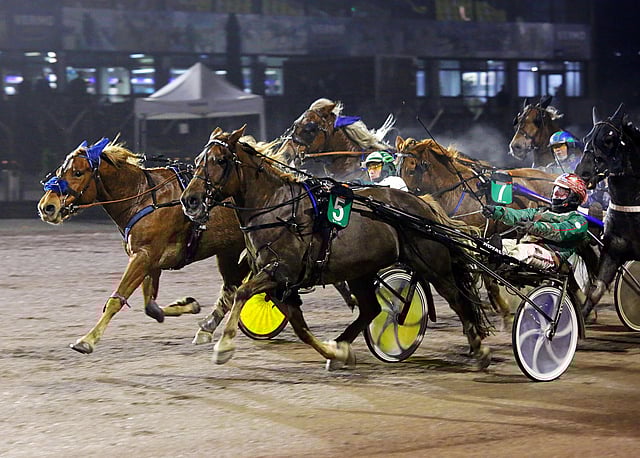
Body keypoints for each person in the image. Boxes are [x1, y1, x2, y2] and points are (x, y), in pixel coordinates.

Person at [482, 173, 589, 271]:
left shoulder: (579, 221)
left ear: (573, 197)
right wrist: (497, 212)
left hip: (550, 255)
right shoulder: (542, 211)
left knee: (525, 251)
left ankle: (500, 262)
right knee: (490, 245)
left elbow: (559, 231)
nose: (555, 194)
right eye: (556, 189)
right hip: (525, 244)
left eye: (561, 191)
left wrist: (533, 227)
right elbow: (519, 214)